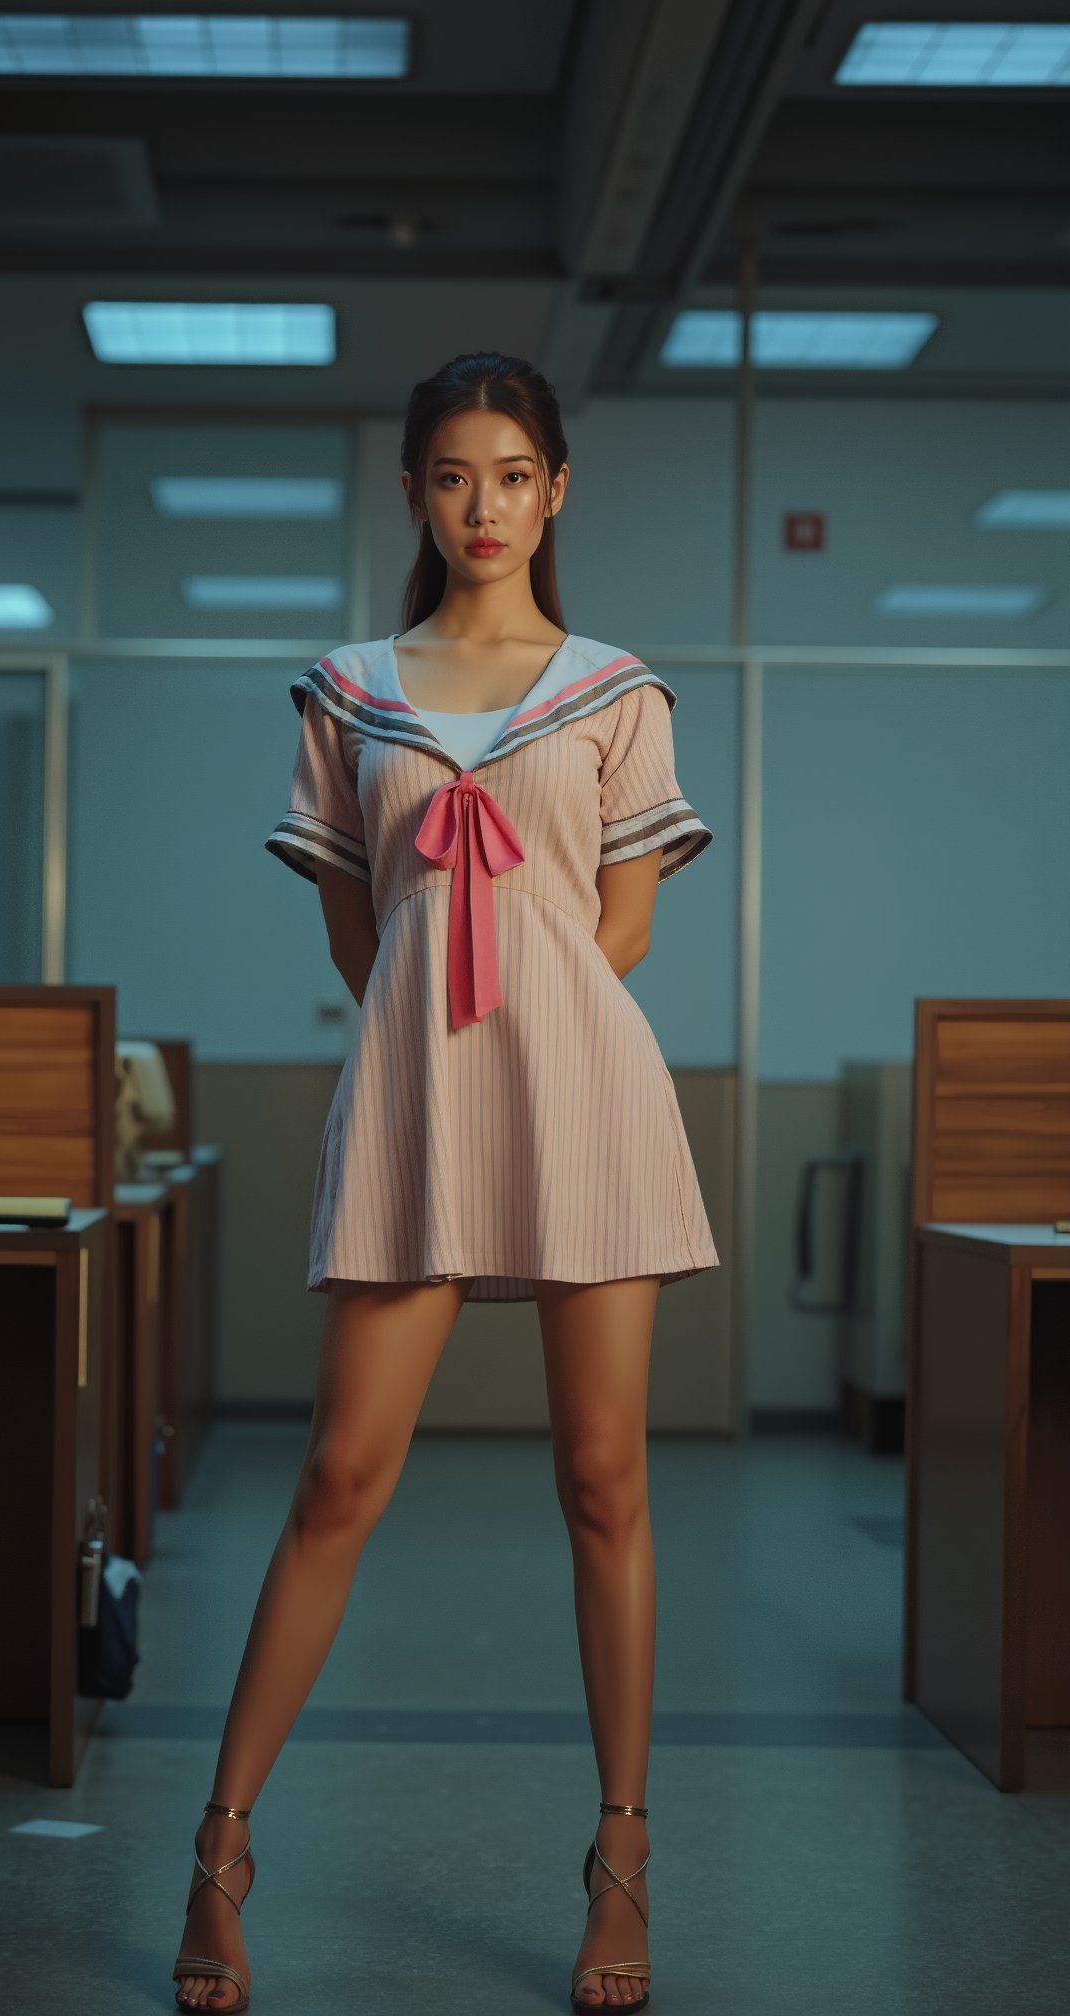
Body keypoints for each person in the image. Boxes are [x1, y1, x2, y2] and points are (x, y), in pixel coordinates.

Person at [171, 351, 719, 2014]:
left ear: (557, 493)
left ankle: (620, 1862)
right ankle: (217, 1849)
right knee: (339, 1478)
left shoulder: (617, 689)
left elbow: (620, 933)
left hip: (587, 1104)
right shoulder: (348, 692)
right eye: (452, 476)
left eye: (513, 475)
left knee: (605, 1484)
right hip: (417, 1104)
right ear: (414, 493)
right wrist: (434, 1047)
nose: (484, 506)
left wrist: (525, 1020)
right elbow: (356, 930)